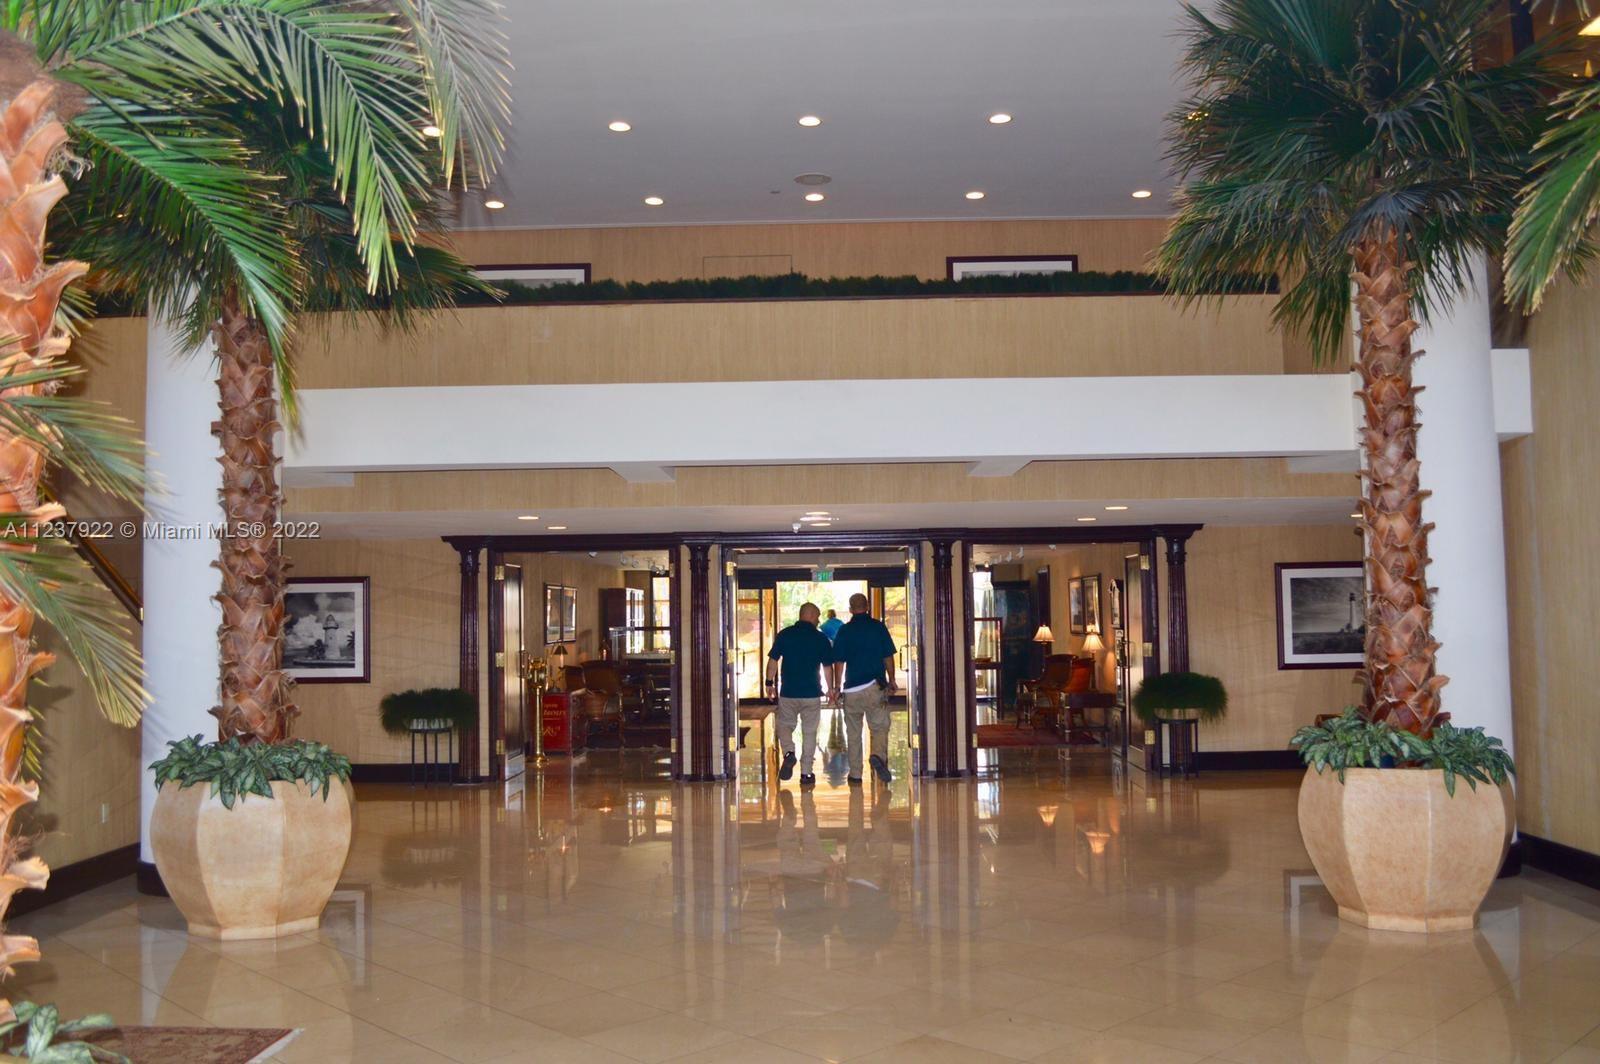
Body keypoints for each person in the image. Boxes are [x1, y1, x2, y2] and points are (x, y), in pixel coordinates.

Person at [829, 592, 898, 785]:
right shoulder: (878, 627)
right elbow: (888, 656)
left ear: (850, 609)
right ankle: (877, 756)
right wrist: (892, 679)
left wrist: (837, 686)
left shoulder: (844, 630)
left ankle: (856, 775)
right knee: (879, 726)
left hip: (852, 690)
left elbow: (839, 661)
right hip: (874, 687)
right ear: (867, 607)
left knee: (853, 733)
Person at [764, 602, 835, 786]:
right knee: (809, 733)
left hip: (789, 692)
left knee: (784, 726)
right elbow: (827, 667)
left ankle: (789, 752)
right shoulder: (820, 638)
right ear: (810, 616)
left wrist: (769, 683)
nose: (819, 620)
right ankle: (806, 774)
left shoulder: (785, 634)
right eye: (817, 616)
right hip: (811, 694)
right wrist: (831, 689)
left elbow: (773, 660)